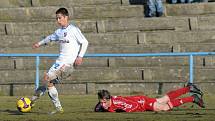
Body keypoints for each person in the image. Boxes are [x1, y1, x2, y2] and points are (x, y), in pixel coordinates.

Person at [30, 7, 88, 114]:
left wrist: (80, 56)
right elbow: (50, 38)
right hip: (58, 63)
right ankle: (32, 101)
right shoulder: (59, 31)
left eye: (59, 18)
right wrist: (39, 43)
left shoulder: (74, 30)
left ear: (66, 17)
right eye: (56, 18)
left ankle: (38, 103)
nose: (58, 20)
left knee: (47, 79)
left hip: (67, 64)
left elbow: (85, 42)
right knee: (47, 82)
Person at [95, 83, 204, 112]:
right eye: (101, 102)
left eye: (104, 102)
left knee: (164, 107)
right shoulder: (106, 103)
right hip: (141, 100)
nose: (102, 104)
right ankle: (188, 88)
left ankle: (192, 98)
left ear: (108, 99)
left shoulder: (118, 103)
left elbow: (134, 106)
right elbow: (99, 107)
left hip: (142, 103)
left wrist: (123, 111)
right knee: (164, 99)